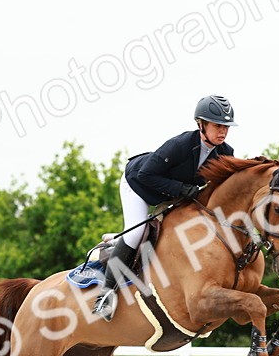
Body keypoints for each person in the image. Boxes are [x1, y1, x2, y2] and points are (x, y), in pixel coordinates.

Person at [91, 95, 237, 320]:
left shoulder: (225, 152)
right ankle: (106, 294)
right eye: (217, 126)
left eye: (226, 127)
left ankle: (116, 240)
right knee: (137, 232)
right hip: (138, 185)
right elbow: (145, 174)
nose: (223, 132)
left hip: (171, 194)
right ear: (201, 124)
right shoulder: (180, 145)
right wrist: (181, 189)